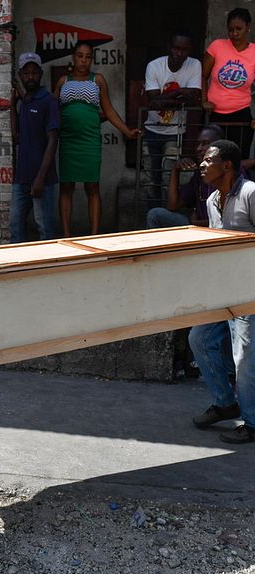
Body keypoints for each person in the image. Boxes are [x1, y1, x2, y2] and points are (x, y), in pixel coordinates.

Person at [190, 139, 255, 443]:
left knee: (244, 359)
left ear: (226, 165)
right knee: (200, 339)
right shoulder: (212, 200)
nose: (202, 165)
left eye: (208, 160)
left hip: (249, 290)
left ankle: (252, 424)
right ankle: (225, 404)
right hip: (222, 288)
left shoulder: (250, 193)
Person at [53, 42, 140, 237]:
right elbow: (52, 111)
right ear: (73, 57)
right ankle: (66, 236)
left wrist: (127, 131)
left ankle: (94, 235)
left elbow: (108, 110)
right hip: (68, 141)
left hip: (89, 141)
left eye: (88, 57)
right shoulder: (62, 81)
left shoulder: (98, 80)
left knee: (92, 186)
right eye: (80, 56)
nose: (84, 60)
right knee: (66, 186)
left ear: (92, 59)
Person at [143, 31, 202, 207]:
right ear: (169, 47)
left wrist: (163, 99)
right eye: (176, 48)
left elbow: (193, 98)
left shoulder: (194, 65)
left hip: (175, 131)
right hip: (151, 130)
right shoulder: (154, 66)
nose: (179, 53)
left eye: (184, 49)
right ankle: (152, 217)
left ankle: (165, 217)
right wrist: (179, 92)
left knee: (169, 177)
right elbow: (152, 101)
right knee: (150, 178)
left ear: (190, 50)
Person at [10, 52, 59, 243]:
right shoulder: (27, 102)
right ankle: (17, 267)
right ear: (21, 75)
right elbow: (17, 137)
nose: (30, 77)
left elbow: (53, 140)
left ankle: (48, 268)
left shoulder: (47, 101)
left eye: (34, 72)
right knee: (15, 224)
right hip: (22, 178)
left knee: (44, 228)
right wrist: (13, 107)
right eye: (26, 73)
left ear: (41, 73)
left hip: (42, 180)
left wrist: (39, 178)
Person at [146, 124, 224, 228]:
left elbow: (226, 222)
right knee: (155, 214)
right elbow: (172, 206)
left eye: (205, 143)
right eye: (198, 144)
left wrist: (196, 223)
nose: (199, 149)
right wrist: (175, 170)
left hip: (220, 232)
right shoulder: (199, 175)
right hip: (198, 227)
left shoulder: (230, 172)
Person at [202, 8, 255, 159]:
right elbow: (203, 75)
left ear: (248, 27)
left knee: (237, 160)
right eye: (231, 30)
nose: (234, 33)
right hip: (213, 115)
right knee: (212, 160)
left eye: (239, 29)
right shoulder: (216, 47)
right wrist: (204, 101)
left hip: (241, 116)